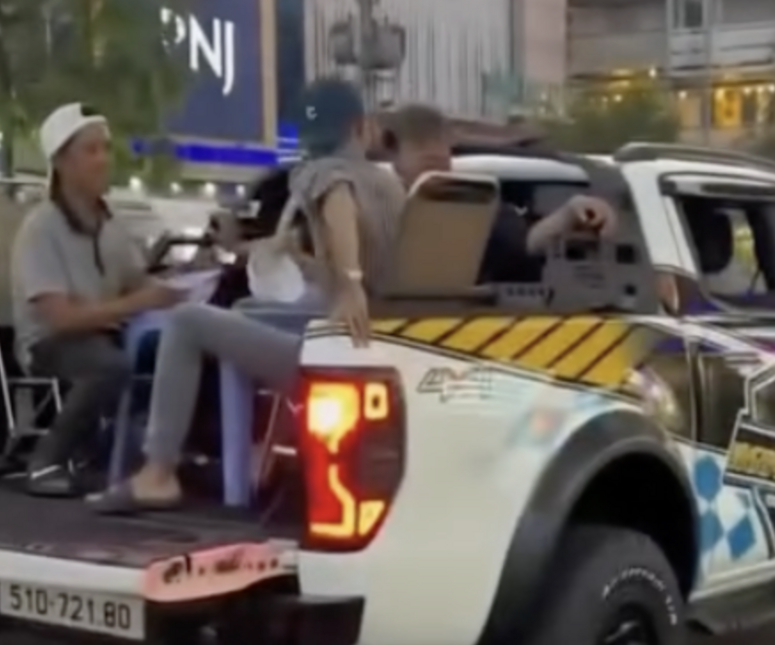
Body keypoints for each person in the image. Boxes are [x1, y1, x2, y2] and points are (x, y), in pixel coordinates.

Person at [92, 77, 403, 513]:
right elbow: (364, 263)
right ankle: (239, 469)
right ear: (359, 126)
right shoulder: (390, 186)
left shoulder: (325, 173)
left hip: (335, 352)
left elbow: (339, 207)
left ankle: (157, 473)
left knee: (186, 320)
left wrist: (349, 283)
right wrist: (311, 264)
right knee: (243, 309)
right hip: (385, 343)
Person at [12, 102, 183, 497]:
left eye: (106, 148)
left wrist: (181, 283)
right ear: (61, 163)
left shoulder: (110, 223)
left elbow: (137, 282)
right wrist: (138, 303)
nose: (104, 159)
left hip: (105, 333)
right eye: (91, 150)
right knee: (109, 366)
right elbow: (59, 319)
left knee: (179, 348)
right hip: (51, 342)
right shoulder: (40, 228)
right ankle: (46, 462)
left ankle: (156, 460)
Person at [382, 103, 620, 282]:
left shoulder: (475, 204)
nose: (435, 155)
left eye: (440, 146)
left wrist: (570, 213)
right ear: (392, 154)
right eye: (420, 145)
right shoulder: (373, 208)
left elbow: (525, 243)